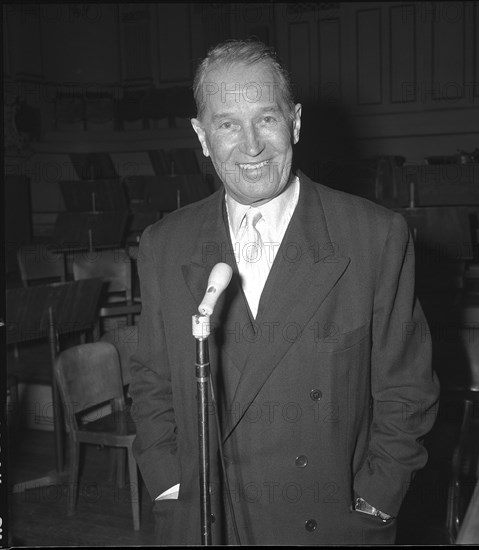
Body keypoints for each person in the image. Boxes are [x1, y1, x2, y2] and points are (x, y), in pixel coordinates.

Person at [129, 38, 439, 545]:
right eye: (227, 123)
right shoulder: (165, 243)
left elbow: (408, 390)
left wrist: (377, 500)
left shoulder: (373, 236)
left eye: (266, 119)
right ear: (201, 136)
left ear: (294, 121)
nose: (250, 145)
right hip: (206, 519)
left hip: (327, 523)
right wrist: (168, 484)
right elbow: (151, 380)